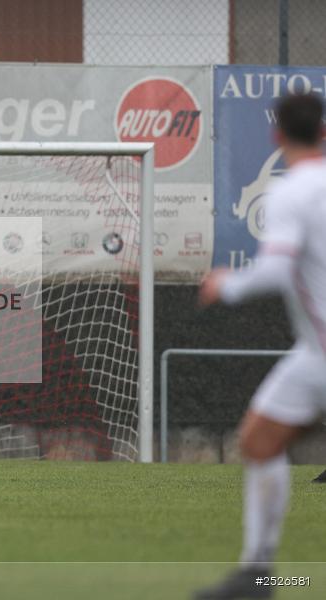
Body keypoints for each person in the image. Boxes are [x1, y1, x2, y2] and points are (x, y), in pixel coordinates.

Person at [195, 92, 326, 599]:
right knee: (258, 440)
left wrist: (224, 285)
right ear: (321, 130)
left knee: (258, 443)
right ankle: (258, 575)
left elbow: (275, 270)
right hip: (313, 352)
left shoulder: (291, 191)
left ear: (277, 136)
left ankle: (259, 574)